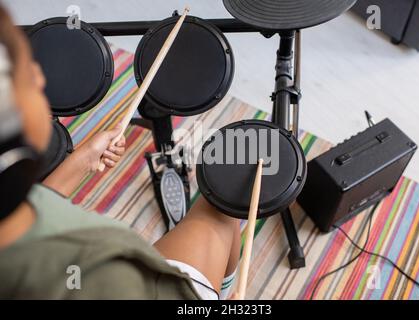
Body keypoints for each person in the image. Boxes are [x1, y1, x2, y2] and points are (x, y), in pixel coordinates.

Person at [0, 5, 240, 299]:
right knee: (223, 200)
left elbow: (20, 212)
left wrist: (79, 163)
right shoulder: (107, 276)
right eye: (26, 74)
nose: (38, 76)